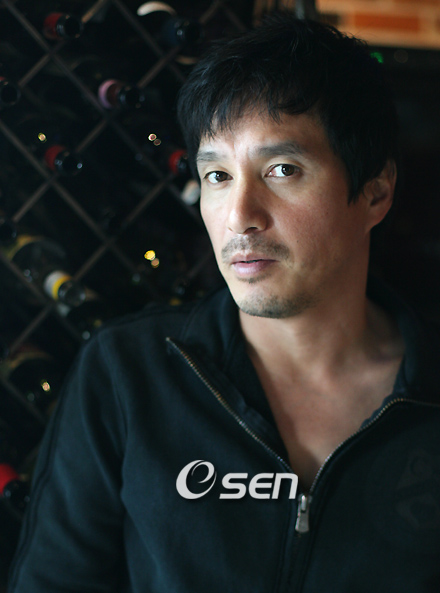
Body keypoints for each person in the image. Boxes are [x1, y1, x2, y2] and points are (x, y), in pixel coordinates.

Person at [8, 12, 440, 593]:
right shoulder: (127, 373)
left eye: (282, 170)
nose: (239, 216)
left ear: (375, 192)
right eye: (217, 176)